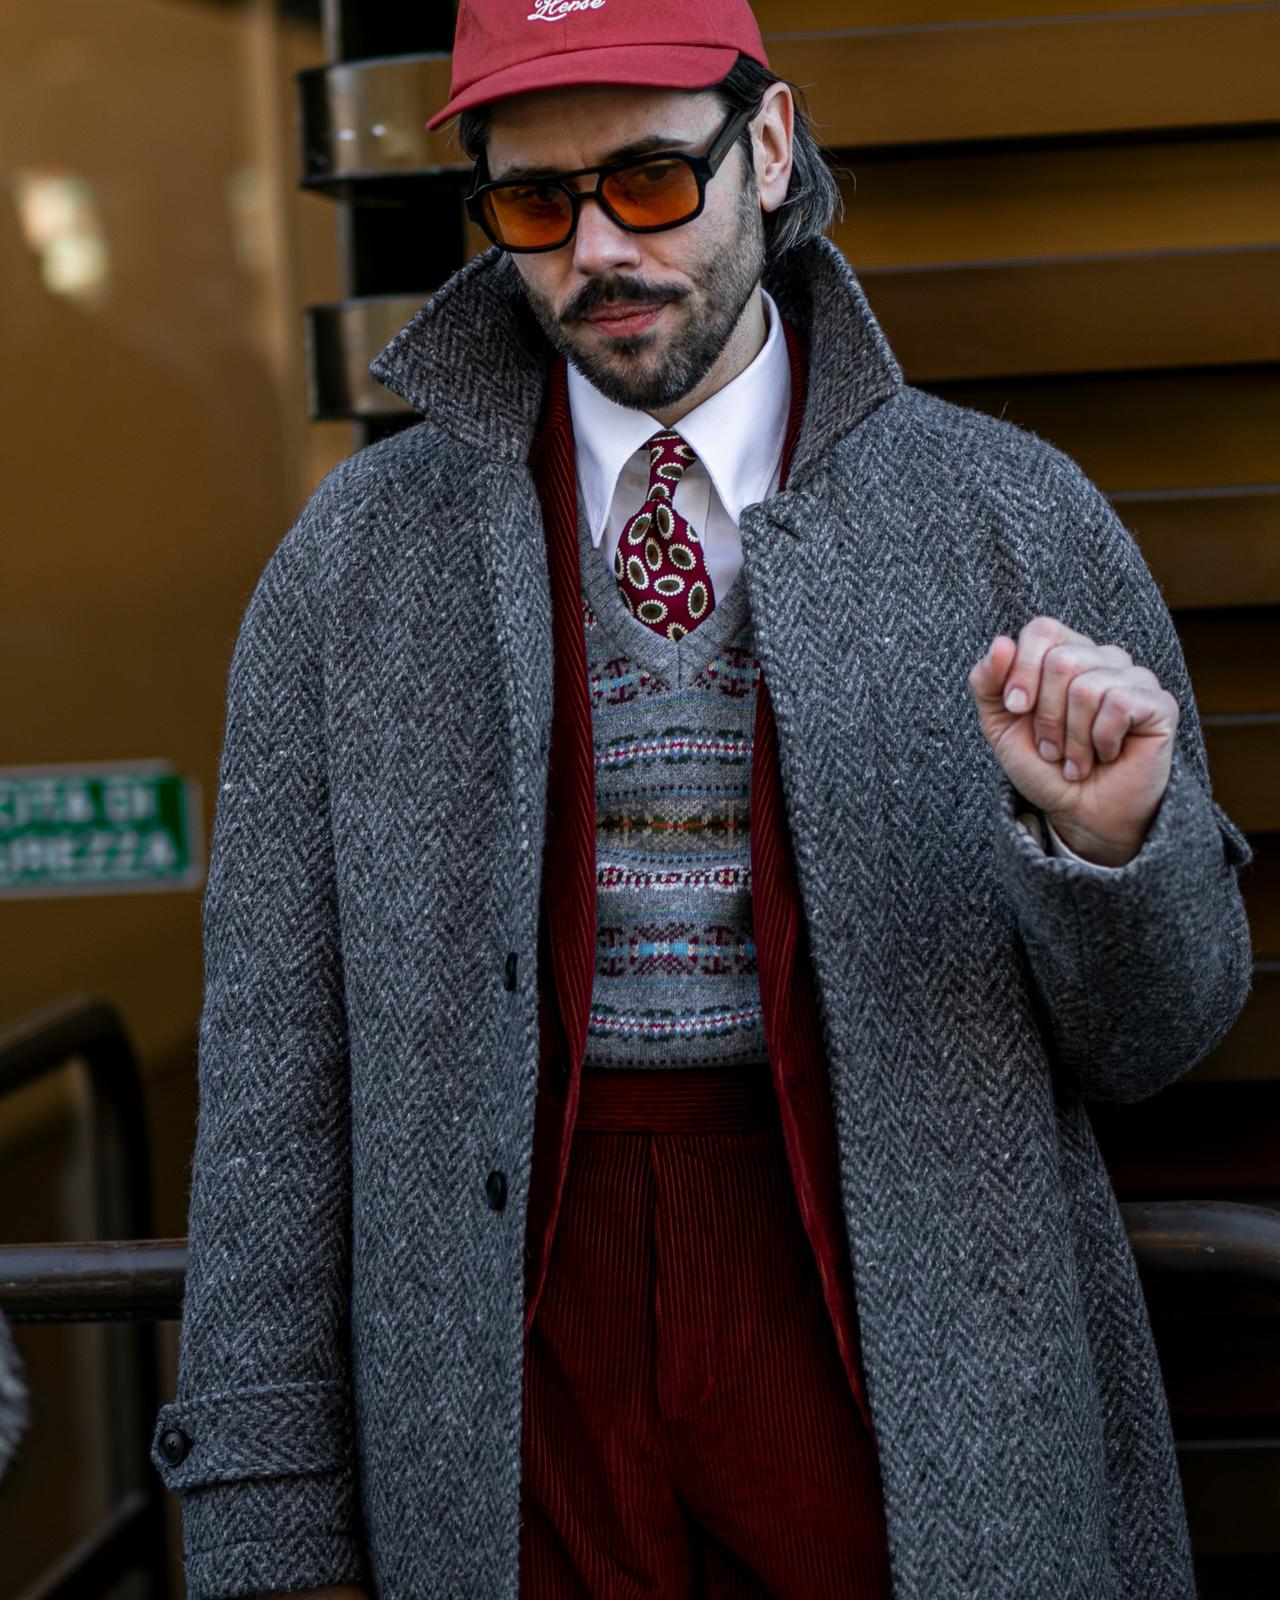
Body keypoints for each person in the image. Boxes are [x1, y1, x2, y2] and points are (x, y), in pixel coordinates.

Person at [149, 2, 1254, 1596]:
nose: (597, 247)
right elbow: (271, 1081)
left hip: (886, 1324)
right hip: (505, 1337)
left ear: (775, 146)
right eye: (536, 202)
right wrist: (268, 1534)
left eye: (652, 182)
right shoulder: (355, 568)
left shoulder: (1007, 514)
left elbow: (1162, 1037)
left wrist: (1109, 851)